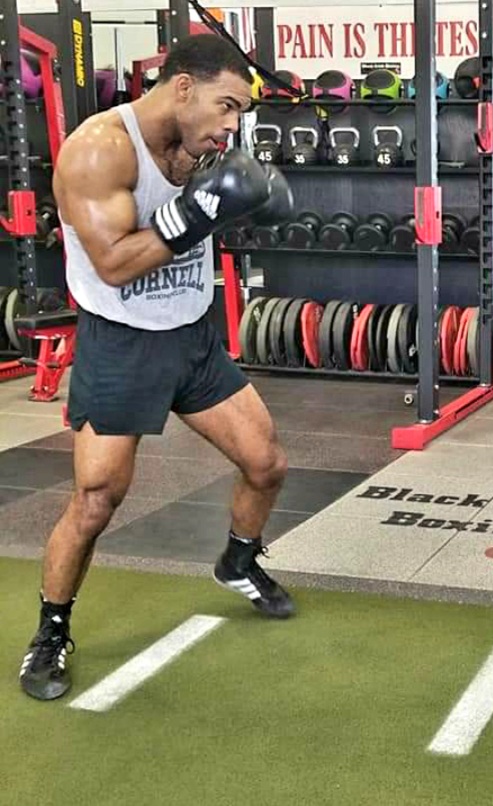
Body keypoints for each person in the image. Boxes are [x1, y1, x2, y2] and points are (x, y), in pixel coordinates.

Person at [18, 34, 299, 702]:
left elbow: (207, 221)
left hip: (193, 337)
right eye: (226, 105)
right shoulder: (98, 150)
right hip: (120, 342)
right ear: (182, 88)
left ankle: (237, 559)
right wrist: (205, 206)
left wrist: (245, 210)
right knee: (96, 501)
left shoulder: (204, 144)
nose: (233, 125)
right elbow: (114, 263)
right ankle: (51, 633)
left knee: (267, 464)